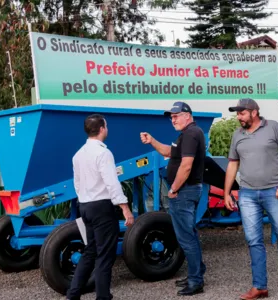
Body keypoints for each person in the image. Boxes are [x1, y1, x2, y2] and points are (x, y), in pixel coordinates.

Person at [223, 98, 278, 300]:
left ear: (254, 112)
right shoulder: (237, 135)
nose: (238, 117)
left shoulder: (273, 128)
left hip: (274, 192)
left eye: (241, 113)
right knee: (253, 240)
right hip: (247, 194)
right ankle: (260, 286)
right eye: (237, 113)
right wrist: (226, 192)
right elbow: (232, 165)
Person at [140, 101, 206, 296]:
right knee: (189, 234)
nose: (173, 119)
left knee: (186, 238)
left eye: (176, 116)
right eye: (171, 117)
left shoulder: (192, 134)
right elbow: (168, 152)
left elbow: (186, 166)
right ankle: (197, 271)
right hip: (185, 192)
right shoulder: (185, 135)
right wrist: (152, 140)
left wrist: (174, 189)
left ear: (188, 115)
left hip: (184, 192)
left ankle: (196, 281)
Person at [67, 114, 134, 300]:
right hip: (102, 208)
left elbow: (77, 184)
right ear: (102, 128)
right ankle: (103, 297)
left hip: (85, 206)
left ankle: (73, 295)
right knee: (105, 256)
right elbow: (112, 183)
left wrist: (85, 202)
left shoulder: (78, 154)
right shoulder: (103, 153)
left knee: (90, 251)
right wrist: (125, 208)